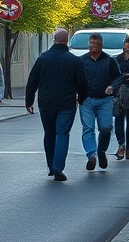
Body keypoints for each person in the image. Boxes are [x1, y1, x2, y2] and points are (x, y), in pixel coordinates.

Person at [25, 28, 89, 182]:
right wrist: (81, 99)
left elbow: (32, 81)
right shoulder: (74, 61)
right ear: (67, 40)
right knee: (62, 134)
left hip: (46, 102)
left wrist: (29, 101)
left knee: (49, 133)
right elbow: (83, 84)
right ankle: (58, 167)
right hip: (66, 103)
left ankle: (51, 166)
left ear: (54, 39)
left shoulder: (43, 59)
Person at [78, 32, 123, 172]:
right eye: (91, 43)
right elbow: (74, 78)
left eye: (96, 44)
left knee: (106, 127)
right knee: (88, 128)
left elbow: (119, 78)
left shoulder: (109, 60)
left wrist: (112, 87)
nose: (93, 46)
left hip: (104, 100)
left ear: (101, 45)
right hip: (86, 100)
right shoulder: (81, 61)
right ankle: (91, 155)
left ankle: (101, 151)